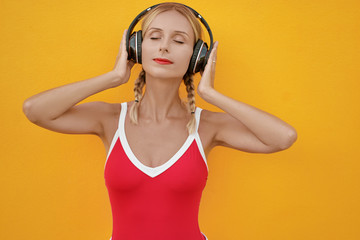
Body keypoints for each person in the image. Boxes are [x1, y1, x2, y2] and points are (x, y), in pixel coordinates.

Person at [22, 2, 297, 240]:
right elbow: (36, 110)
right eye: (154, 37)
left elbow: (283, 137)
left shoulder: (208, 126)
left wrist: (210, 94)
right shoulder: (109, 119)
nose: (164, 47)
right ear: (137, 48)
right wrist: (115, 77)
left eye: (179, 41)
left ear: (197, 57)